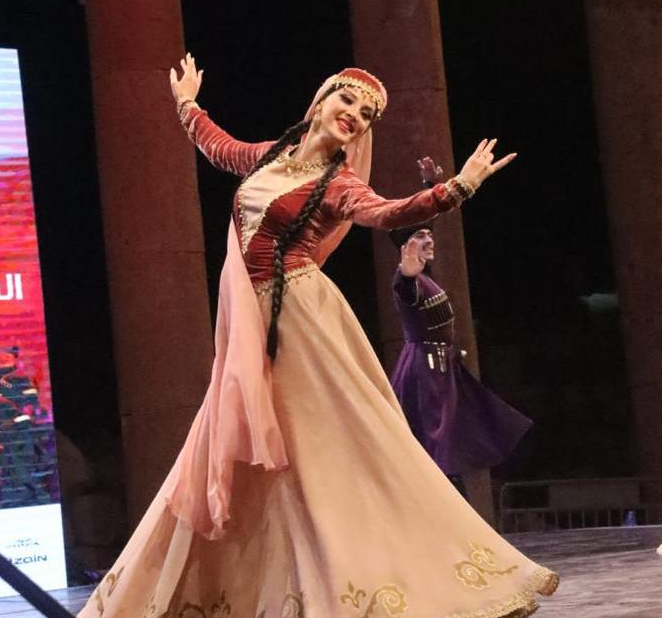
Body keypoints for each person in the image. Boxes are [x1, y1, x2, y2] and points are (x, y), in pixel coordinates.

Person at [78, 54, 558, 618]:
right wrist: (186, 102)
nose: (354, 114)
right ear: (322, 100)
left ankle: (370, 585)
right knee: (250, 454)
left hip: (301, 319)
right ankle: (252, 591)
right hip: (252, 323)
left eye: (367, 113)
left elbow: (387, 213)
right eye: (347, 99)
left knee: (319, 451)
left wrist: (458, 188)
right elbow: (219, 148)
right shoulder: (270, 156)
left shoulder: (340, 183)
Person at [389, 212, 533, 498]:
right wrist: (406, 276)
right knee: (435, 436)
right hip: (426, 370)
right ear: (406, 247)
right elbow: (405, 292)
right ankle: (445, 500)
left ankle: (451, 498)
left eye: (429, 234)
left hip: (442, 368)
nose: (429, 240)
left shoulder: (425, 279)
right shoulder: (409, 280)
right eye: (420, 236)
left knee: (454, 433)